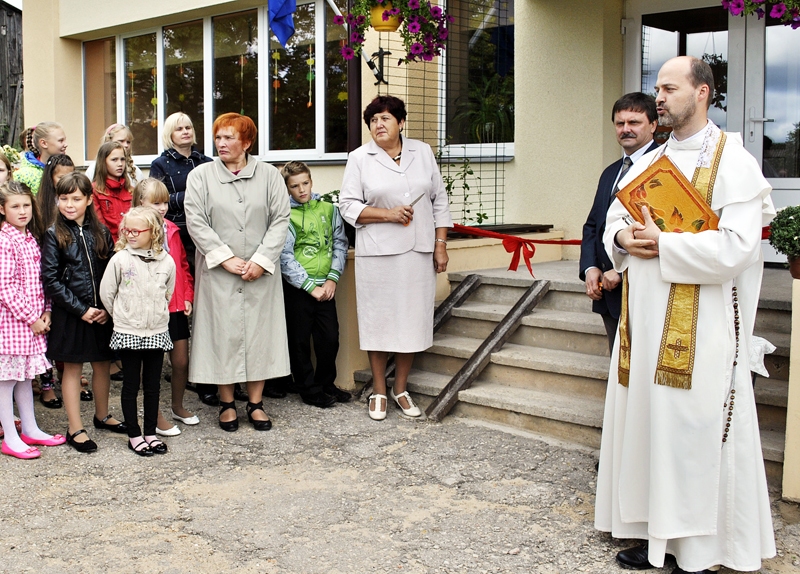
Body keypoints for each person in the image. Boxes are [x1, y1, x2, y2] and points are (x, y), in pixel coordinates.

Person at [594, 56, 776, 574]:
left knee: (692, 429)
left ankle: (697, 547)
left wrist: (666, 243)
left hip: (702, 327)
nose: (659, 97)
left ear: (702, 92)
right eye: (657, 88)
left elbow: (739, 246)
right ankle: (657, 539)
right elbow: (615, 220)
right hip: (645, 323)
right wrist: (625, 238)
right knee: (652, 426)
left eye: (669, 88)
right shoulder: (652, 159)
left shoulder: (732, 159)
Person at [338, 95, 452, 421]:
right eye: (373, 120)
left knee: (412, 322)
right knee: (379, 322)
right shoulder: (360, 158)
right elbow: (348, 205)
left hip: (418, 252)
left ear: (401, 122)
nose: (379, 125)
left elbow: (439, 201)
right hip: (378, 254)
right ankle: (378, 389)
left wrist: (440, 244)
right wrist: (386, 215)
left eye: (385, 118)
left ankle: (400, 388)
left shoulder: (423, 152)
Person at [184, 112, 290, 432]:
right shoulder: (201, 176)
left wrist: (261, 260)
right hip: (219, 273)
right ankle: (226, 403)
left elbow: (280, 219)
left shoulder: (270, 175)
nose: (222, 143)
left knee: (260, 336)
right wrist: (224, 257)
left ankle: (256, 404)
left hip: (260, 273)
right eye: (218, 137)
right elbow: (196, 220)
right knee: (222, 336)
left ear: (247, 142)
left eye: (229, 137)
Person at [41, 172, 126, 453]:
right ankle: (74, 427)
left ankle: (102, 415)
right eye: (63, 198)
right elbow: (51, 279)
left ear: (89, 200)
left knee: (102, 363)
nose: (69, 204)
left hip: (101, 312)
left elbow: (113, 272)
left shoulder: (100, 232)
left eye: (76, 198)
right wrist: (81, 309)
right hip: (71, 313)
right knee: (73, 368)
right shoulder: (54, 234)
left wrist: (104, 308)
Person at [579, 93, 659, 352]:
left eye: (634, 122)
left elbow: (666, 229)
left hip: (644, 289)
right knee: (618, 370)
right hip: (608, 293)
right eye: (620, 123)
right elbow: (593, 225)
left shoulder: (665, 168)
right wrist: (590, 268)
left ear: (653, 125)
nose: (626, 129)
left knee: (643, 370)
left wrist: (622, 270)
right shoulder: (610, 172)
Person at [149, 112, 215, 406]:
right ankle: (187, 373)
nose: (185, 132)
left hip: (207, 237)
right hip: (177, 237)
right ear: (170, 134)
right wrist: (192, 195)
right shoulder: (160, 164)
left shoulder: (206, 162)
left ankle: (207, 375)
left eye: (189, 127)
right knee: (183, 307)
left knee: (205, 308)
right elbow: (155, 201)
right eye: (179, 128)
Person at [100, 206, 175, 457]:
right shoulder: (120, 259)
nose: (130, 235)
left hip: (156, 331)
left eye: (136, 230)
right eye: (127, 230)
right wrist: (125, 315)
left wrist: (155, 312)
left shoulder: (167, 261)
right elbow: (107, 294)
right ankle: (134, 434)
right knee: (131, 385)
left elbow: (168, 292)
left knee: (153, 385)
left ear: (152, 232)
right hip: (128, 331)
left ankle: (151, 432)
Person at [0, 181, 67, 459]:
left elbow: (41, 282)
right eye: (15, 206)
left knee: (25, 377)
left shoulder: (30, 238)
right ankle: (11, 436)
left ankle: (30, 428)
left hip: (34, 322)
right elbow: (6, 287)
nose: (22, 210)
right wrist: (31, 318)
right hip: (13, 324)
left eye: (26, 204)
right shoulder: (4, 241)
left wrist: (47, 310)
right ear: (2, 209)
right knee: (6, 381)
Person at [279, 161, 349, 409]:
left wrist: (332, 278)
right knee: (299, 341)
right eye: (295, 186)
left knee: (330, 338)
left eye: (305, 183)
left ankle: (326, 384)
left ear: (311, 181)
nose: (301, 190)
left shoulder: (329, 210)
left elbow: (340, 244)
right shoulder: (286, 215)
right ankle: (308, 389)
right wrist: (309, 286)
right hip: (299, 289)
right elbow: (285, 256)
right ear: (287, 188)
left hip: (326, 286)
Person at [133, 178, 198, 434]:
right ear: (140, 202)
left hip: (175, 306)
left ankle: (177, 406)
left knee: (181, 361)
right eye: (155, 202)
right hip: (150, 308)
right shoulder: (134, 231)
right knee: (152, 365)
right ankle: (154, 414)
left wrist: (187, 295)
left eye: (165, 202)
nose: (162, 208)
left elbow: (183, 266)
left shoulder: (172, 228)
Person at [35, 154, 83, 405]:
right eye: (60, 176)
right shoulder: (41, 205)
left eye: (70, 174)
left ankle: (69, 379)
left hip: (69, 276)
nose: (65, 180)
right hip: (45, 274)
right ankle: (46, 384)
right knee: (46, 335)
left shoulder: (73, 205)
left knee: (65, 335)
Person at [92, 141, 133, 243]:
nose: (120, 164)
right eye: (114, 160)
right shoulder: (94, 190)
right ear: (103, 162)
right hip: (108, 246)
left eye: (122, 159)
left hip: (131, 243)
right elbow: (99, 225)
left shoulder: (131, 190)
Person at [14, 123, 68, 195]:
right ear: (44, 143)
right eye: (61, 141)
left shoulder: (66, 168)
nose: (66, 144)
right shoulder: (24, 175)